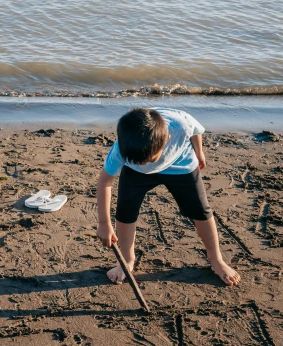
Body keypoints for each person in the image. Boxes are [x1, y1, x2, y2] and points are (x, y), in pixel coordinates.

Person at [95, 107, 240, 286]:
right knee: (125, 210)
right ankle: (126, 260)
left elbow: (195, 131)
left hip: (181, 165)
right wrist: (104, 224)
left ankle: (216, 258)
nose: (145, 164)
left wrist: (199, 152)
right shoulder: (122, 149)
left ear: (167, 139)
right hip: (136, 174)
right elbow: (104, 183)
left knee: (200, 209)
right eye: (140, 161)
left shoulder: (180, 124)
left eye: (149, 159)